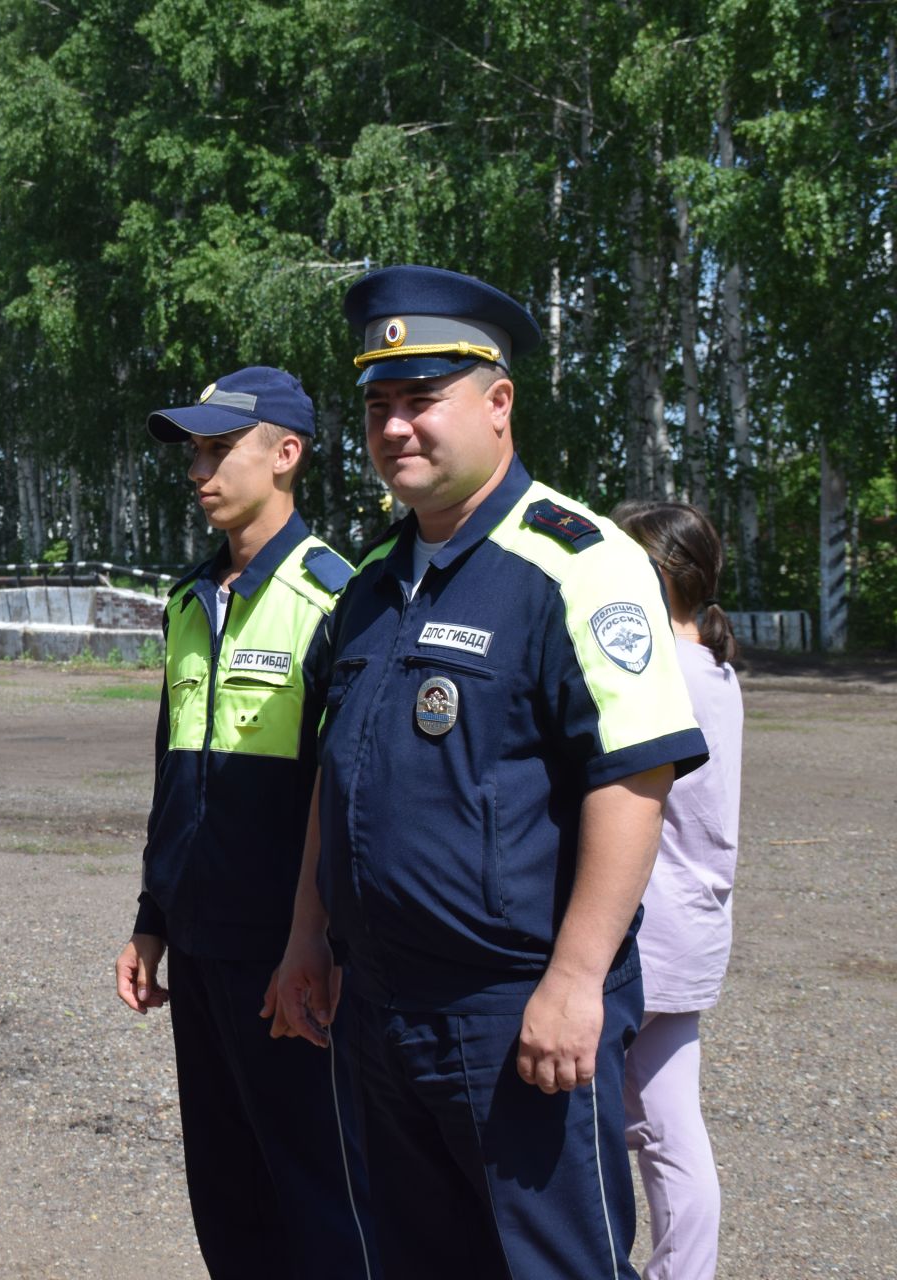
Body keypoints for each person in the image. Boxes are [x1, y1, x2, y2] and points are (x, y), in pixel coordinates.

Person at [269, 265, 709, 1279]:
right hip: (378, 1006)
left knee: (553, 1264)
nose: (395, 428)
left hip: (513, 1010)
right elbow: (338, 777)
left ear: (498, 401)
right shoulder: (373, 585)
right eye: (379, 404)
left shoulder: (580, 561)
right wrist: (306, 935)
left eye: (422, 399)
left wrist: (575, 980)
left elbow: (633, 780)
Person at [111, 369, 373, 1277]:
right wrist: (152, 919)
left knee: (316, 1189)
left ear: (287, 454)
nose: (201, 471)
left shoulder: (338, 596)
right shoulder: (191, 600)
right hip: (201, 939)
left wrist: (322, 942)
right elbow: (171, 772)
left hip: (289, 952)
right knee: (223, 1189)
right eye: (196, 453)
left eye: (222, 450)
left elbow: (343, 792)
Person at [612, 501, 744, 1280]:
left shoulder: (660, 673)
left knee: (607, 1119)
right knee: (669, 1122)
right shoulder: (716, 667)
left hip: (648, 928)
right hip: (691, 925)